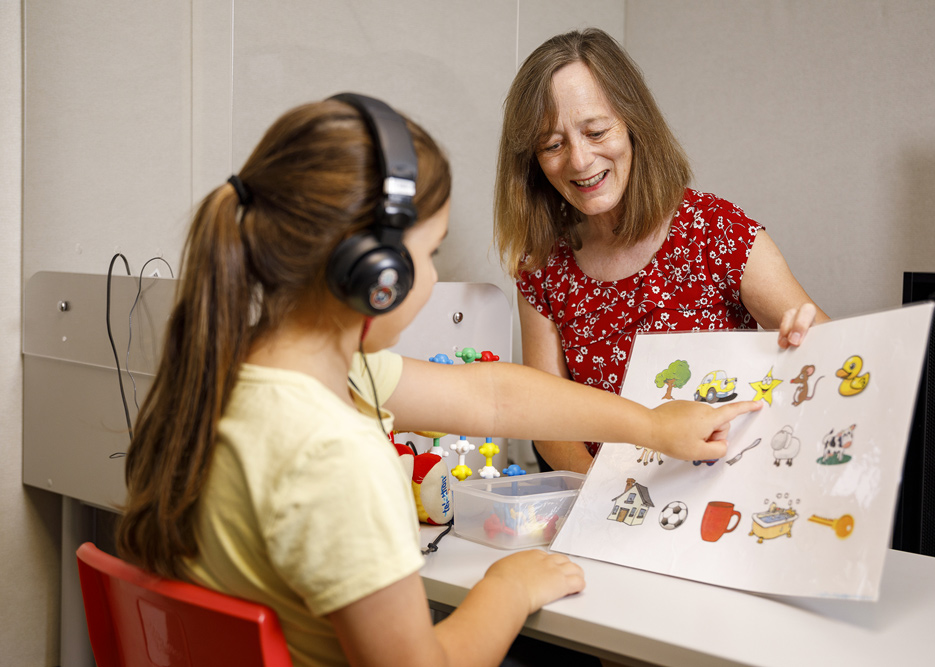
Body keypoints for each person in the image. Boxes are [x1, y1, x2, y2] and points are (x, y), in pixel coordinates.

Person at [116, 93, 761, 667]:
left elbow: (494, 395)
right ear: (372, 272)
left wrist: (649, 424)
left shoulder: (248, 374)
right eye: (428, 254)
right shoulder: (332, 451)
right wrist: (508, 588)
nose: (431, 276)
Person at [494, 28, 829, 475]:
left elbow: (836, 361)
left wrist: (802, 348)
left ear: (634, 124)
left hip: (721, 489)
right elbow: (547, 419)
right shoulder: (541, 266)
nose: (579, 160)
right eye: (553, 145)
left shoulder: (716, 230)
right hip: (607, 508)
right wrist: (605, 497)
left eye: (596, 131)